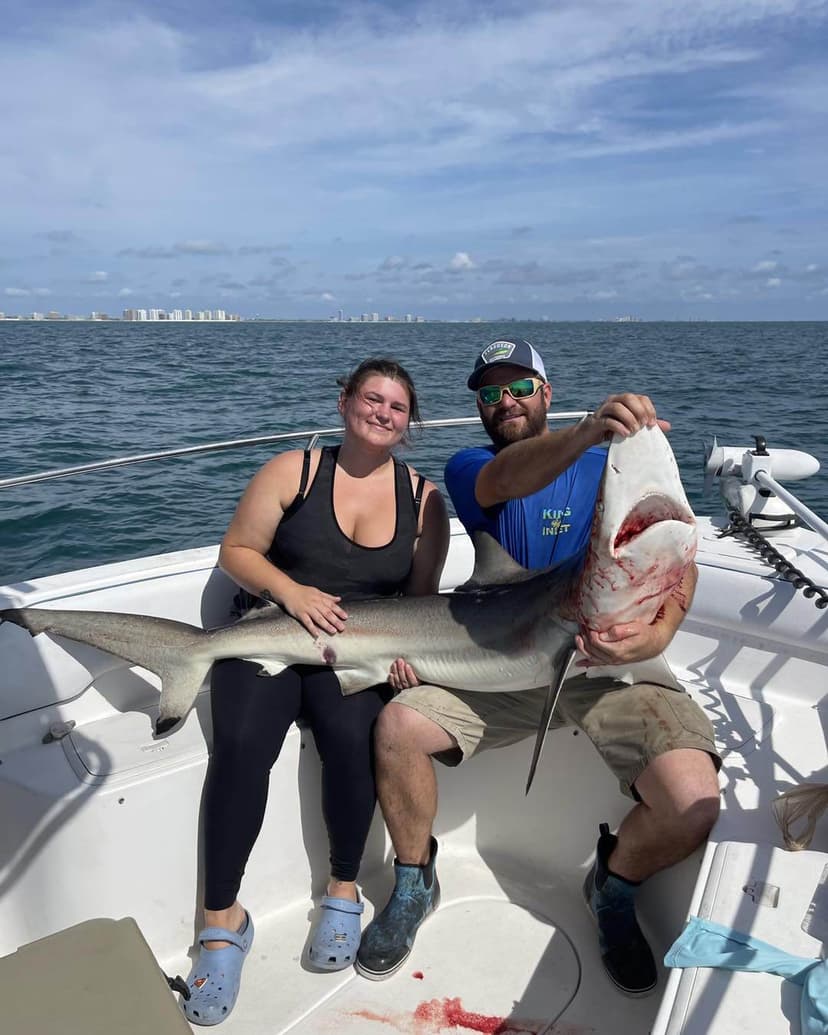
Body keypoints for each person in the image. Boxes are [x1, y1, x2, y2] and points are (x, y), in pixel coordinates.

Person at [355, 338, 722, 998]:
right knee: (398, 727)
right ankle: (414, 879)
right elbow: (509, 480)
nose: (506, 402)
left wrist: (657, 634)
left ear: (547, 392)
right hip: (503, 661)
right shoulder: (472, 466)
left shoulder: (609, 465)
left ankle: (613, 885)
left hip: (608, 663)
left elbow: (677, 547)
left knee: (693, 799)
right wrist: (585, 432)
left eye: (520, 387)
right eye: (490, 393)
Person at [182, 357, 449, 1025]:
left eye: (397, 406)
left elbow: (420, 602)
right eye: (372, 398)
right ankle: (222, 921)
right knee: (241, 745)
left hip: (353, 655)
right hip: (269, 634)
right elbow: (236, 551)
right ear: (345, 402)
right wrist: (293, 593)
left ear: (409, 423)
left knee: (357, 739)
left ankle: (343, 889)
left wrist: (407, 662)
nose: (383, 412)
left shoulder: (425, 501)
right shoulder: (293, 471)